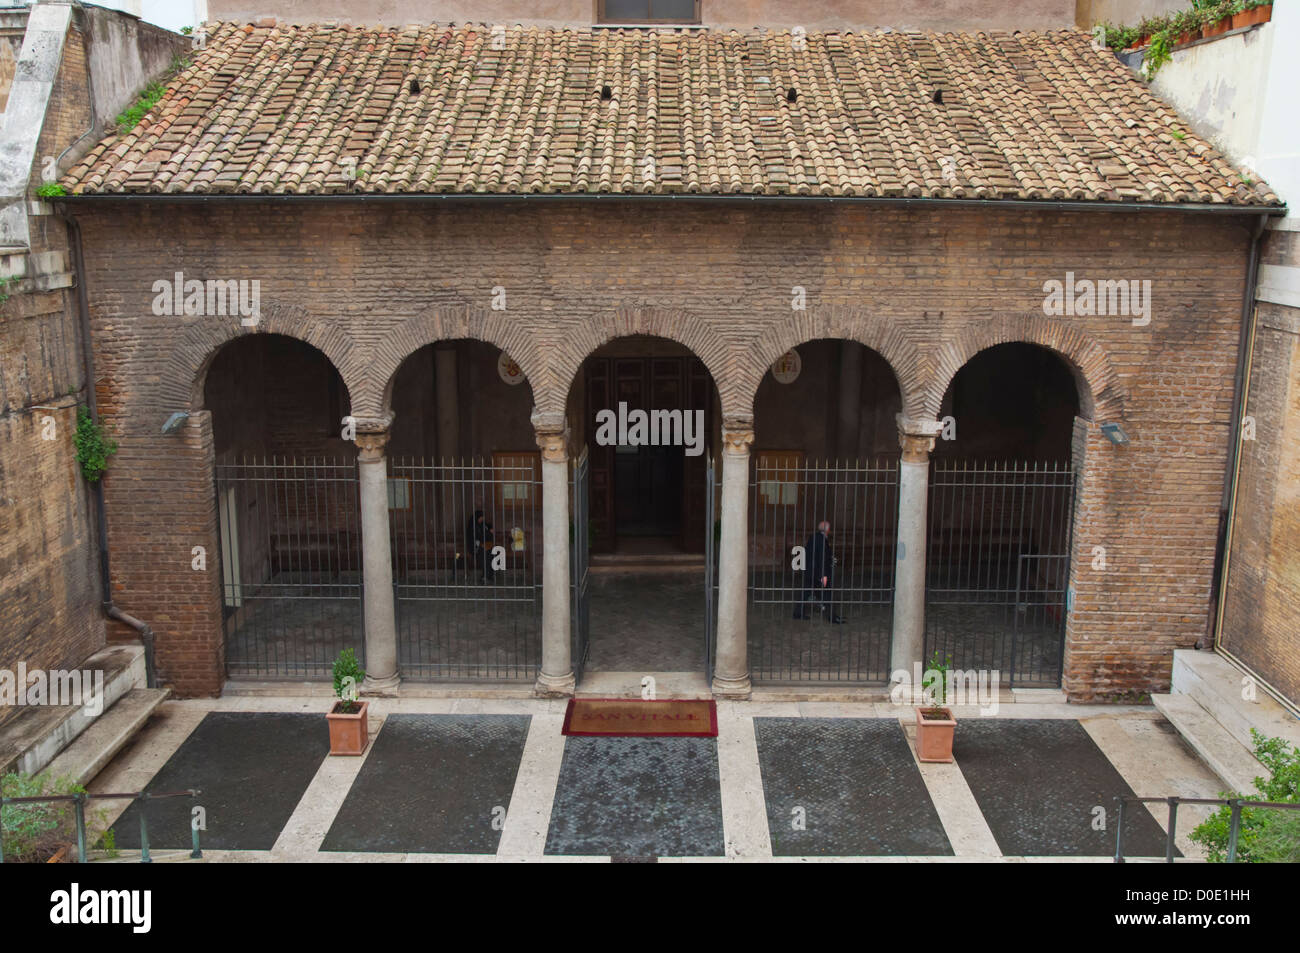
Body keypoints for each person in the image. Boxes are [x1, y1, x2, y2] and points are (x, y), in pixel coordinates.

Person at [794, 520, 846, 623]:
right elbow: (821, 558)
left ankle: (798, 613)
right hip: (818, 572)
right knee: (827, 593)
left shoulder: (813, 537)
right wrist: (824, 575)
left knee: (806, 592)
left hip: (811, 571)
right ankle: (832, 617)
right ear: (827, 530)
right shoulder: (822, 539)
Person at [467, 508, 496, 583]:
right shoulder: (473, 526)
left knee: (492, 554)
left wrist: (490, 530)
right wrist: (489, 532)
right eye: (481, 517)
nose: (482, 519)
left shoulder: (482, 524)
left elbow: (487, 533)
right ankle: (485, 576)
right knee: (486, 555)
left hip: (484, 546)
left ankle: (489, 575)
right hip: (475, 548)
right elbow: (478, 536)